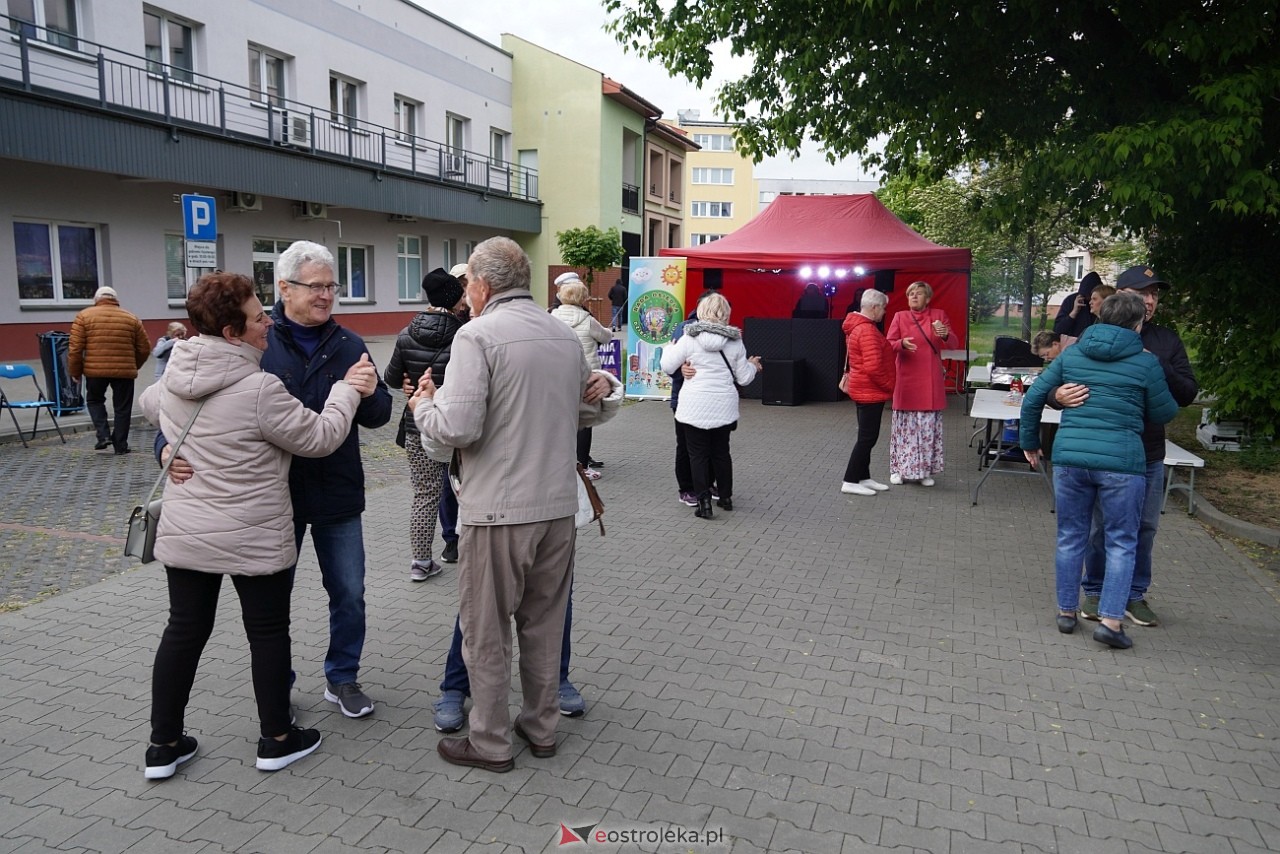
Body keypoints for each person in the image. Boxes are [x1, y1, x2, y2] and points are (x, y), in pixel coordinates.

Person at [137, 272, 378, 779]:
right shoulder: (258, 388)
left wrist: (167, 445)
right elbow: (320, 437)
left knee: (183, 631)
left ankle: (163, 746)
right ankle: (277, 738)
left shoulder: (175, 373)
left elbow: (148, 406)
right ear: (231, 332)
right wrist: (345, 391)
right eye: (255, 317)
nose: (265, 322)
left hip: (189, 532)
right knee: (268, 633)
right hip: (251, 531)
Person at [411, 236, 620, 772]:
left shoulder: (477, 336)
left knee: (486, 631)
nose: (466, 297)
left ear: (480, 285)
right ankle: (541, 728)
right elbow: (585, 412)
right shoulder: (560, 332)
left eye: (468, 288)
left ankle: (490, 741)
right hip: (556, 507)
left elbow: (457, 428)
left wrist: (424, 406)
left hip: (498, 510)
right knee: (544, 627)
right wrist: (608, 388)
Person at [1019, 292, 1178, 650]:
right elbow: (1165, 412)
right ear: (1138, 324)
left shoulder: (1072, 354)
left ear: (1100, 318)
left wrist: (1030, 442)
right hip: (1123, 465)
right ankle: (1110, 622)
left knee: (1070, 535)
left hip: (1071, 461)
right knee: (1122, 540)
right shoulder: (1144, 362)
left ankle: (1066, 612)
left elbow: (1033, 398)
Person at [1055, 266, 1198, 627]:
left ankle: (1134, 595)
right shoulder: (1093, 336)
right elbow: (1059, 382)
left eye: (1155, 294)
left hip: (1146, 452)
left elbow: (1186, 394)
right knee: (1100, 529)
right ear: (1121, 294)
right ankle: (1095, 590)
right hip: (1105, 452)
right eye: (1141, 292)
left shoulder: (1166, 341)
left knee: (1145, 527)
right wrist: (1057, 397)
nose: (1149, 300)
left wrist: (1154, 364)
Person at [384, 268, 467, 582]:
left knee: (425, 493)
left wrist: (410, 382)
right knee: (470, 489)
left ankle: (420, 562)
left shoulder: (407, 332)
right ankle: (473, 552)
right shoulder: (465, 333)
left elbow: (391, 378)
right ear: (455, 297)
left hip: (418, 423)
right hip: (458, 423)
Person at [659, 292, 762, 519]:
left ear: (701, 311)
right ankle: (725, 497)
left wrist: (668, 347)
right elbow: (744, 378)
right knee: (721, 453)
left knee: (697, 455)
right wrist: (753, 366)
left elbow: (667, 366)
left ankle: (703, 501)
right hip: (723, 407)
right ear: (726, 313)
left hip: (693, 406)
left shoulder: (688, 338)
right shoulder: (735, 341)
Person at [886, 280, 958, 486]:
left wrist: (945, 335)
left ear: (928, 298)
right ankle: (898, 470)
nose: (914, 297)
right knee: (903, 430)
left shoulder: (939, 315)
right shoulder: (900, 316)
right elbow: (888, 344)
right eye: (910, 294)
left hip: (929, 382)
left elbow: (953, 344)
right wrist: (901, 344)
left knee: (927, 430)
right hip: (907, 380)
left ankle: (924, 472)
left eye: (918, 294)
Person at [68, 286, 151, 454]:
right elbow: (144, 348)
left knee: (94, 400)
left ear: (96, 299)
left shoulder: (84, 316)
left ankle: (103, 435)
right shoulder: (131, 318)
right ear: (115, 299)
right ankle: (120, 445)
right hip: (124, 372)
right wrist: (133, 365)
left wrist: (75, 372)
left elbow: (75, 348)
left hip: (95, 371)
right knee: (123, 407)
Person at [552, 272, 613, 480]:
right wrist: (609, 330)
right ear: (582, 298)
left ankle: (561, 462)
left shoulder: (550, 317)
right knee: (584, 421)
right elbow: (606, 337)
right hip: (586, 377)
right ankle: (583, 465)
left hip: (558, 375)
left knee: (561, 419)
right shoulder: (588, 320)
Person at [839, 289, 896, 496]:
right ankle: (850, 480)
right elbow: (873, 367)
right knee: (867, 438)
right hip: (870, 390)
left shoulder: (858, 327)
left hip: (862, 388)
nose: (884, 313)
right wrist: (889, 384)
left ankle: (863, 477)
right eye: (883, 308)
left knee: (866, 436)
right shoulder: (867, 331)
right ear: (874, 307)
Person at [1052, 271, 1103, 339]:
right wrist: (1073, 313)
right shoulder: (1071, 300)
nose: (1090, 301)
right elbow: (1058, 330)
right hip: (1073, 343)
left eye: (1094, 298)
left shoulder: (1103, 304)